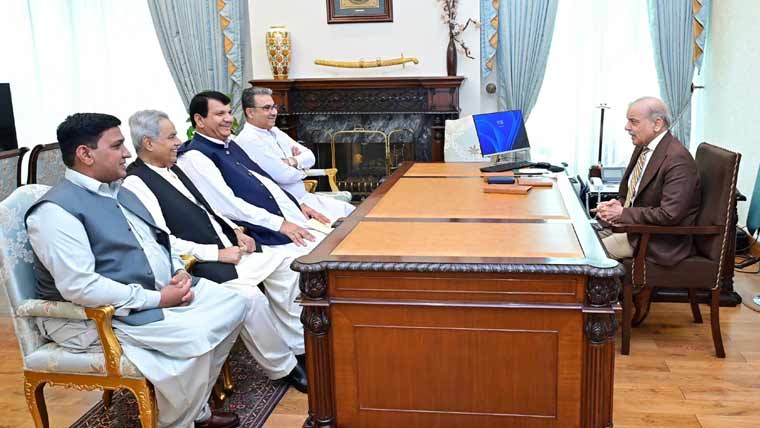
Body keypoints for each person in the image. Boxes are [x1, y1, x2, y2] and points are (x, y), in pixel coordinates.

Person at [26, 113, 247, 428]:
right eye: (117, 146)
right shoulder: (54, 212)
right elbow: (80, 287)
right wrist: (159, 299)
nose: (128, 153)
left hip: (153, 293)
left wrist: (177, 271)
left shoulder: (119, 190)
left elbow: (158, 241)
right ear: (85, 154)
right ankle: (183, 420)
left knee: (236, 303)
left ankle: (190, 411)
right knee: (196, 335)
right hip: (96, 315)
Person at [122, 110, 307, 391]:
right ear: (148, 143)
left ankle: (298, 347)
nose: (178, 142)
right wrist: (215, 253)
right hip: (199, 264)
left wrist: (235, 231)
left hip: (227, 247)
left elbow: (207, 208)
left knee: (288, 266)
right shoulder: (136, 183)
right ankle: (284, 367)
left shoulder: (172, 167)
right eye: (171, 137)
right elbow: (161, 240)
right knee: (250, 298)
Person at [176, 91, 329, 258]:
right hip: (266, 236)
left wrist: (297, 204)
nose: (229, 119)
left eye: (229, 112)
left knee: (336, 241)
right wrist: (280, 224)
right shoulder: (195, 157)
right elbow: (228, 205)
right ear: (199, 120)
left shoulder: (229, 143)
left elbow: (264, 180)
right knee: (325, 259)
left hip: (290, 217)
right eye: (220, 114)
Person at [593, 96, 700, 265]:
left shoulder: (678, 159)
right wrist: (619, 204)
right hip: (631, 229)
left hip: (655, 241)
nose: (627, 127)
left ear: (657, 124)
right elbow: (636, 193)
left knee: (587, 255)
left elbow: (669, 214)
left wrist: (623, 213)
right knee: (579, 240)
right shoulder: (643, 147)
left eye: (633, 121)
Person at [236, 86, 355, 223]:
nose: (274, 112)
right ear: (250, 112)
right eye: (266, 108)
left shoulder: (275, 131)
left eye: (274, 107)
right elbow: (285, 176)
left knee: (352, 212)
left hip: (305, 198)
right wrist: (303, 168)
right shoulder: (249, 140)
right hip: (289, 207)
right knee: (346, 224)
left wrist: (292, 161)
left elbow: (311, 156)